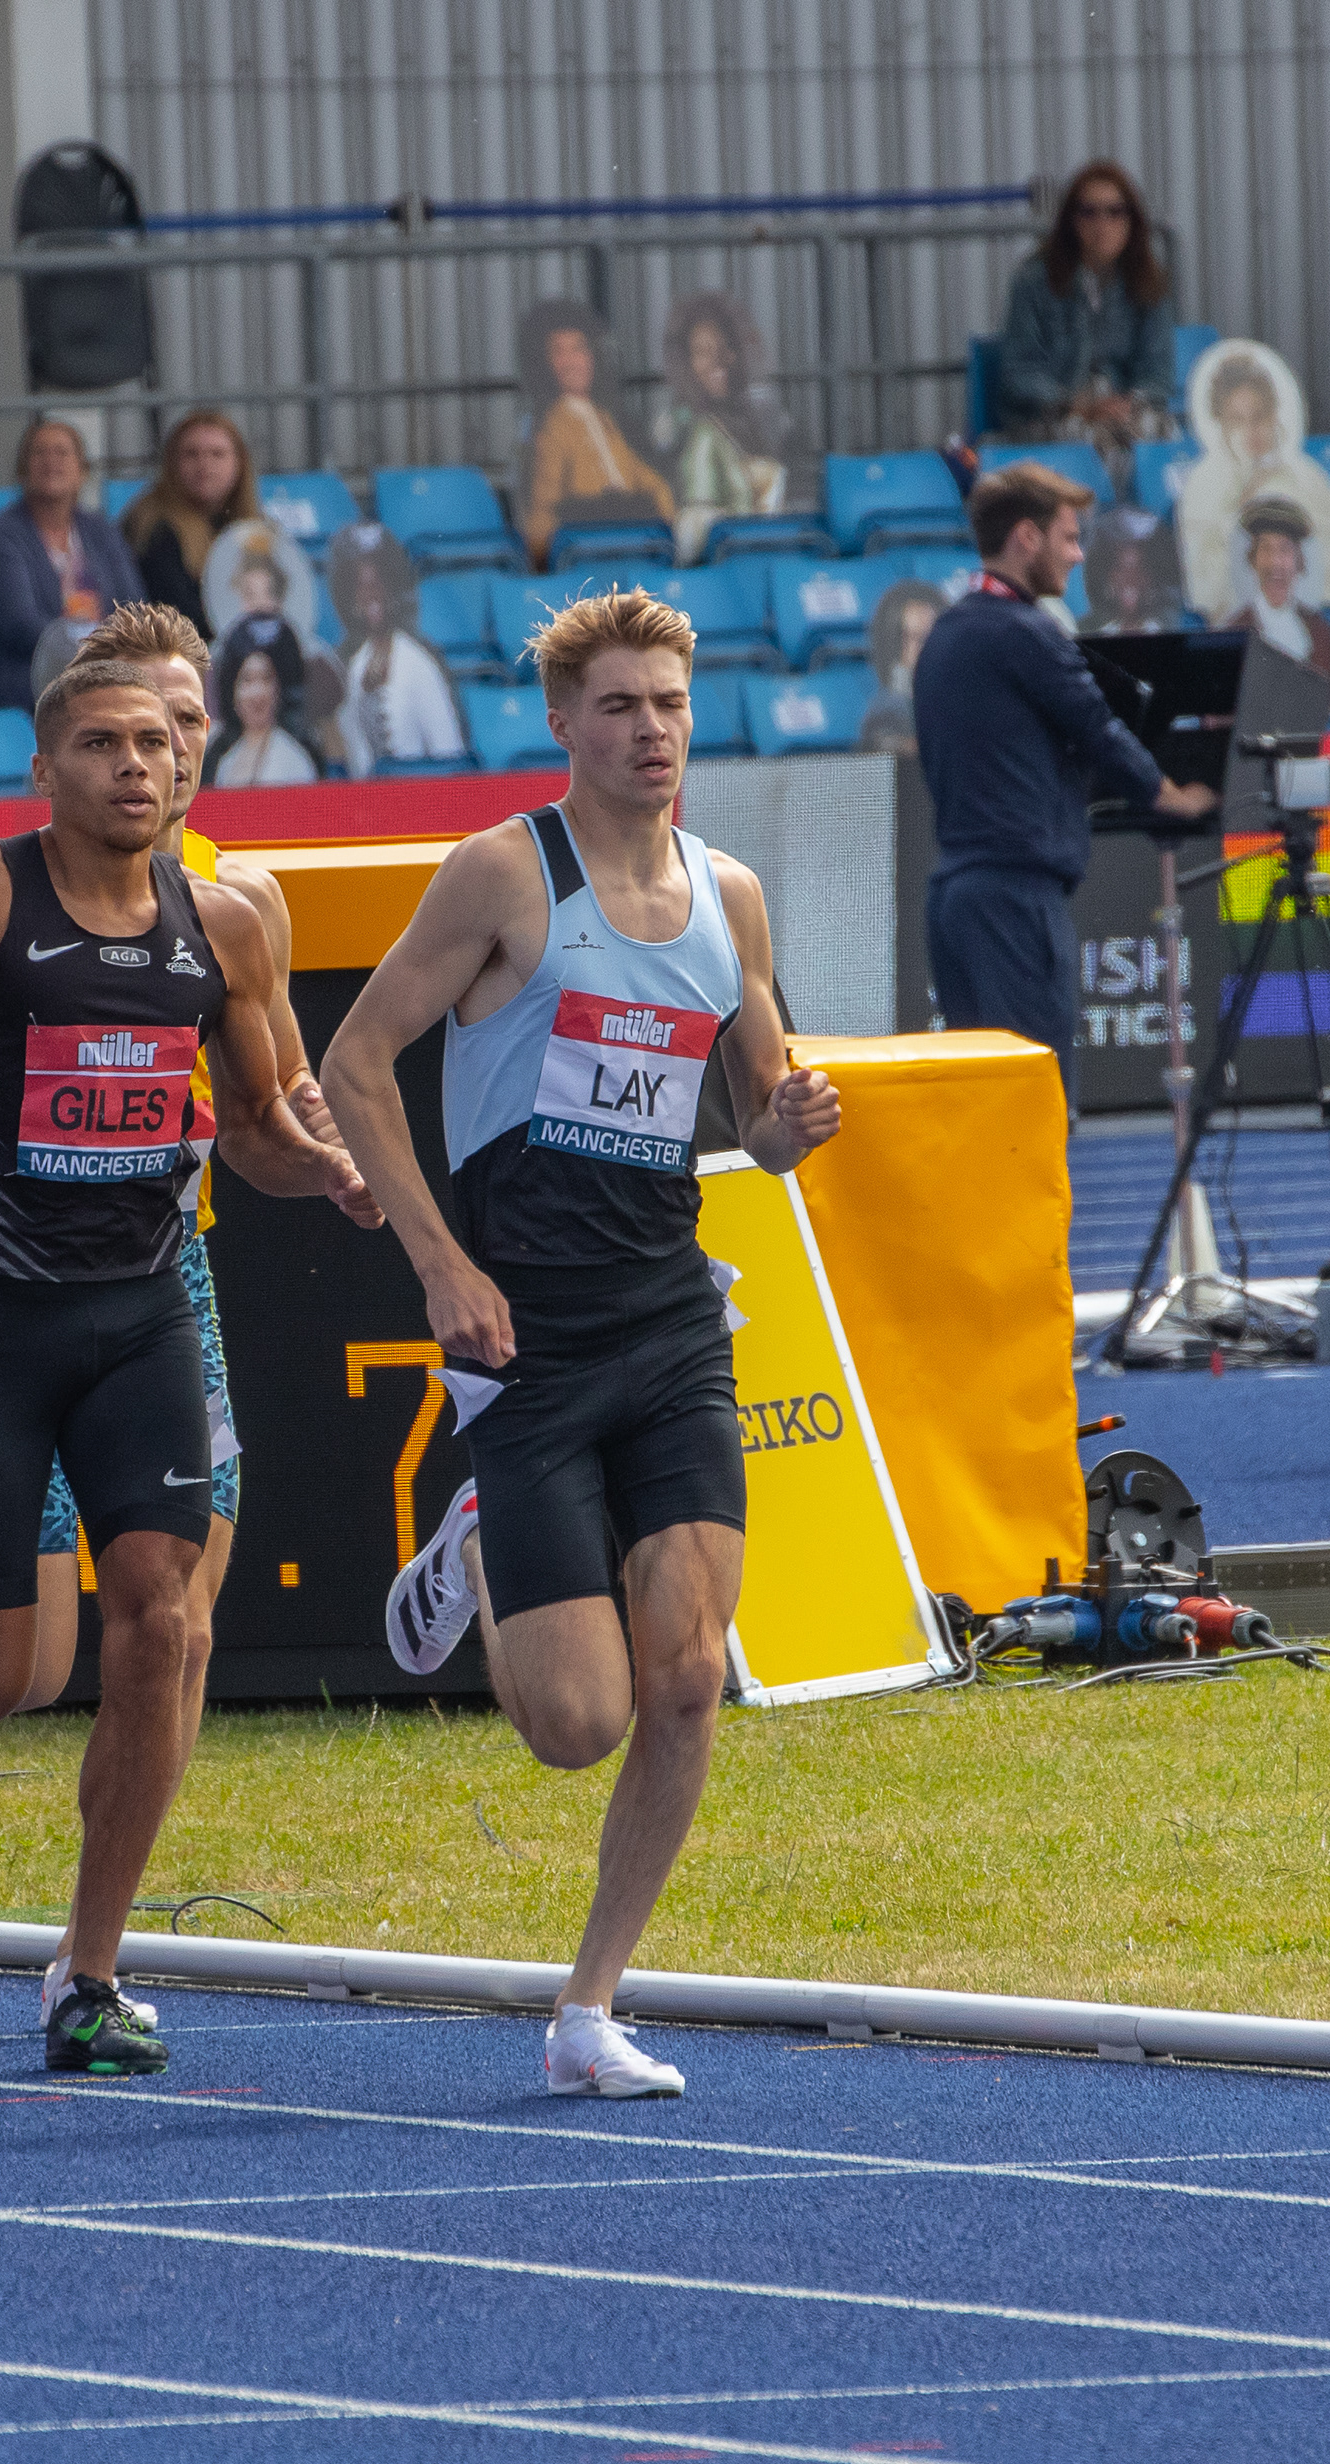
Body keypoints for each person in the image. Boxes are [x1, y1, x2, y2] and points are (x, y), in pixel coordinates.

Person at [0, 653, 367, 2074]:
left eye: (156, 746)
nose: (136, 766)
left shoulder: (222, 926)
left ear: (184, 769)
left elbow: (255, 1129)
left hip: (142, 1316)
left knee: (162, 1623)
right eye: (104, 745)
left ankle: (90, 1972)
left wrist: (328, 1171)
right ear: (45, 769)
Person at [322, 591, 841, 2102]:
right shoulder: (504, 874)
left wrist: (791, 1124)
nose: (650, 731)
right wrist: (441, 1263)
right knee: (574, 1723)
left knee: (685, 1680)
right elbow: (356, 1065)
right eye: (618, 706)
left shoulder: (730, 895)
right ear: (563, 723)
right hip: (526, 1334)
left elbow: (755, 1121)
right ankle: (483, 1535)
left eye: (669, 703)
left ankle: (588, 2008)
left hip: (671, 1323)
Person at [913, 465, 1215, 1069]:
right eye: (1070, 538)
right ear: (1028, 537)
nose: (1078, 556)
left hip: (955, 901)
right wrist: (1175, 797)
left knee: (985, 1104)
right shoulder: (1027, 633)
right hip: (1016, 904)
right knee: (1039, 1100)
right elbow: (1099, 730)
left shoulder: (944, 635)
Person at [994, 161, 1178, 454]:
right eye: (1089, 212)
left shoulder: (1148, 281)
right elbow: (1019, 372)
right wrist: (1073, 403)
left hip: (1123, 413)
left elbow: (1158, 372)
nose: (1102, 224)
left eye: (1115, 211)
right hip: (1052, 417)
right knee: (1093, 442)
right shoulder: (1033, 280)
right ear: (1071, 220)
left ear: (1132, 220)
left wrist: (1127, 403)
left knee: (1164, 434)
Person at [0, 418, 143, 711]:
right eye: (39, 453)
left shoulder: (101, 532)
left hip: (106, 675)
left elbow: (133, 606)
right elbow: (19, 625)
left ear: (82, 471)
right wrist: (98, 652)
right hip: (30, 685)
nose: (51, 462)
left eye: (62, 452)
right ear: (23, 470)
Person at [1176, 341, 1330, 620]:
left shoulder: (1309, 477)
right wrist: (1243, 499)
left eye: (1259, 416)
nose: (1251, 430)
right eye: (1237, 420)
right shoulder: (1202, 485)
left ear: (1274, 415)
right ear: (1221, 425)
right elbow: (1203, 586)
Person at [656, 290, 813, 560]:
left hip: (762, 551)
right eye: (702, 352)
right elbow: (697, 523)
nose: (718, 361)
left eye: (725, 348)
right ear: (685, 363)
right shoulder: (685, 429)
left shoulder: (757, 419)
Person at [518, 301, 674, 567]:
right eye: (558, 352)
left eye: (578, 349)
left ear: (593, 357)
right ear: (545, 364)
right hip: (588, 546)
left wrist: (669, 520)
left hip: (633, 536)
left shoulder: (605, 419)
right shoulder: (553, 428)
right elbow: (544, 506)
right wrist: (541, 562)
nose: (571, 362)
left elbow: (642, 476)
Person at [327, 524, 467, 774]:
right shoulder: (356, 665)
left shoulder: (419, 663)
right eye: (360, 586)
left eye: (377, 583)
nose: (370, 594)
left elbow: (449, 754)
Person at [121, 410, 259, 633]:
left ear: (239, 462)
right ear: (171, 463)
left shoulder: (250, 526)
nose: (204, 464)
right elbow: (179, 617)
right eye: (191, 454)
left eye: (217, 454)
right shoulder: (154, 528)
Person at [1219, 499, 1330, 712]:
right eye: (1266, 549)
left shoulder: (1322, 633)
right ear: (1253, 560)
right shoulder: (1234, 633)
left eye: (1284, 550)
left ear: (1299, 561)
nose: (1275, 563)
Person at [203, 620, 323, 786]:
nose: (257, 693)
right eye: (247, 680)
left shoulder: (293, 759)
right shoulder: (224, 760)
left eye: (266, 679)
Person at [856, 579, 944, 754]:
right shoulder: (887, 710)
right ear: (892, 644)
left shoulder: (955, 699)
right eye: (913, 638)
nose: (924, 649)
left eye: (931, 638)